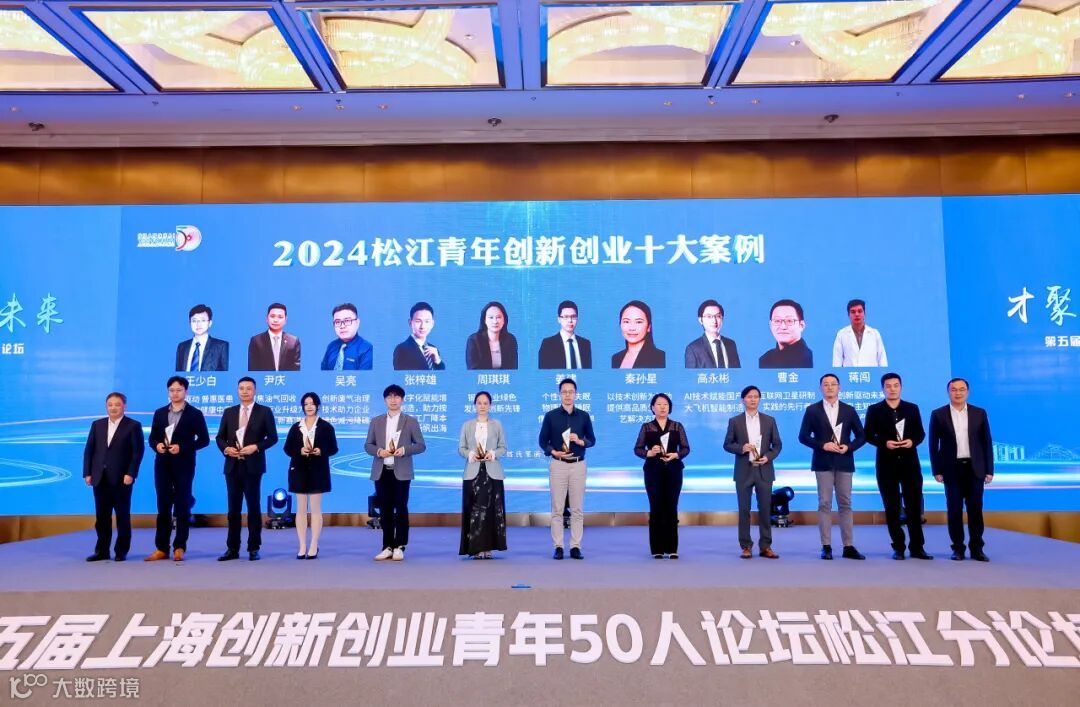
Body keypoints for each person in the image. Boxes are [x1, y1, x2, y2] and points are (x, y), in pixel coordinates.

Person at [864, 373, 931, 560]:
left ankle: (917, 547)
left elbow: (920, 433)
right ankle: (898, 547)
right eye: (888, 386)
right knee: (892, 507)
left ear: (901, 387)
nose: (892, 389)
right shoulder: (874, 409)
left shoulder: (911, 408)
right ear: (883, 388)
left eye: (896, 385)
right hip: (886, 463)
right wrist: (884, 443)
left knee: (914, 506)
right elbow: (868, 434)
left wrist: (912, 441)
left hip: (910, 462)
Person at [799, 373, 866, 560]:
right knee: (824, 504)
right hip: (823, 462)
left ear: (839, 387)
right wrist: (823, 445)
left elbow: (862, 436)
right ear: (821, 388)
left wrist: (849, 447)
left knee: (845, 503)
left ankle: (848, 546)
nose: (829, 387)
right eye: (826, 384)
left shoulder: (849, 410)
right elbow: (803, 436)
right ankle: (826, 546)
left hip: (844, 461)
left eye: (833, 384)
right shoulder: (812, 410)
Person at [145, 376, 209, 563]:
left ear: (186, 391)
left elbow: (204, 440)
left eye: (179, 390)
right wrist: (157, 445)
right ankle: (161, 548)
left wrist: (183, 447)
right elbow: (152, 438)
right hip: (162, 464)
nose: (175, 393)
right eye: (171, 390)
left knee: (182, 505)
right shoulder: (159, 413)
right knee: (163, 505)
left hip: (184, 464)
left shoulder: (195, 414)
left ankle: (179, 547)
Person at [929, 378, 994, 562]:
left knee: (975, 510)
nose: (958, 393)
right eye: (954, 389)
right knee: (954, 510)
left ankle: (977, 549)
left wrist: (989, 470)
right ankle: (957, 548)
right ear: (948, 392)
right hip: (951, 469)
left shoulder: (979, 413)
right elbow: (933, 445)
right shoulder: (938, 414)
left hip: (975, 469)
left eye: (962, 389)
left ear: (968, 392)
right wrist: (936, 470)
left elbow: (987, 442)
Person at [215, 377, 278, 561]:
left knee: (253, 507)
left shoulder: (264, 412)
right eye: (241, 388)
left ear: (255, 391)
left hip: (253, 466)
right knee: (233, 510)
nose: (245, 391)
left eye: (248, 388)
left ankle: (253, 547)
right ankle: (232, 549)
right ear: (237, 391)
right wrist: (226, 449)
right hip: (232, 466)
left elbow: (272, 438)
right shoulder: (229, 412)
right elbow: (220, 437)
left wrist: (256, 447)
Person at [364, 384, 427, 561]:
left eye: (397, 396)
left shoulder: (410, 421)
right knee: (384, 509)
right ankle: (387, 546)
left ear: (402, 400)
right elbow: (368, 445)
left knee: (401, 508)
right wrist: (379, 451)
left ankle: (400, 546)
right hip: (382, 471)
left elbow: (421, 445)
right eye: (390, 397)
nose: (393, 400)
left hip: (402, 471)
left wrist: (404, 450)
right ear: (385, 400)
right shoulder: (376, 421)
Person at [83, 392, 144, 562]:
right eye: (110, 404)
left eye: (117, 404)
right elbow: (89, 450)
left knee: (122, 516)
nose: (113, 408)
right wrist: (87, 472)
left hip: (122, 478)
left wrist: (131, 473)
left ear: (124, 406)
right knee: (102, 517)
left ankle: (121, 551)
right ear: (106, 406)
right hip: (99, 477)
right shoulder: (97, 425)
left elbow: (137, 452)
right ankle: (102, 551)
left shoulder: (133, 425)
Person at [538, 377, 595, 559]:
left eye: (571, 392)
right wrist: (554, 452)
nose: (568, 395)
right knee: (557, 508)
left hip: (578, 465)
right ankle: (558, 546)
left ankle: (575, 546)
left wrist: (580, 441)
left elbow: (592, 440)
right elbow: (542, 441)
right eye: (564, 392)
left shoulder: (584, 416)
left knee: (577, 509)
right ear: (560, 394)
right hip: (558, 465)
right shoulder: (551, 416)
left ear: (576, 394)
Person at [723, 385, 782, 559]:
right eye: (749, 396)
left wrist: (768, 457)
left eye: (756, 396)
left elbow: (777, 445)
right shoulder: (735, 421)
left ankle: (766, 546)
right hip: (744, 471)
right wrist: (742, 448)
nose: (753, 399)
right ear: (743, 400)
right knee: (744, 510)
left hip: (764, 470)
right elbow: (727, 444)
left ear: (759, 399)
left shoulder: (769, 420)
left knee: (765, 509)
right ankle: (746, 546)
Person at [633, 393, 690, 559]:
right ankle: (657, 549)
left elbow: (686, 448)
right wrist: (649, 453)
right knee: (656, 508)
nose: (662, 407)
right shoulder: (647, 427)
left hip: (673, 471)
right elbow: (637, 449)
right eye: (658, 404)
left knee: (671, 507)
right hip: (653, 471)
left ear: (669, 407)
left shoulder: (677, 426)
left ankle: (672, 548)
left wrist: (676, 455)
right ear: (652, 407)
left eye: (665, 404)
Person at [283, 392, 338, 560]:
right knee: (300, 509)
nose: (309, 406)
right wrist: (299, 450)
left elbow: (334, 448)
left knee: (315, 508)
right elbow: (287, 449)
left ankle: (314, 543)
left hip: (318, 470)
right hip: (298, 469)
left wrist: (321, 450)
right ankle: (302, 545)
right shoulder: (296, 427)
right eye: (306, 404)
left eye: (312, 403)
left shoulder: (326, 427)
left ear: (318, 406)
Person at [457, 391, 508, 559]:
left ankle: (489, 548)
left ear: (490, 405)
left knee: (492, 511)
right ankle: (476, 548)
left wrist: (493, 453)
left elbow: (503, 447)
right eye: (479, 403)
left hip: (492, 472)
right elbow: (461, 448)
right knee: (475, 511)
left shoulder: (497, 424)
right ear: (475, 405)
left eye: (485, 403)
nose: (482, 406)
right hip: (473, 472)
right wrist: (470, 454)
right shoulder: (467, 425)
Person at [684, 299, 741, 368]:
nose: (714, 321)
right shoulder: (693, 349)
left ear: (722, 319)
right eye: (709, 316)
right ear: (700, 320)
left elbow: (736, 373)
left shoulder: (731, 344)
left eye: (718, 316)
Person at [538, 300, 593, 369]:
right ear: (559, 319)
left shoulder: (585, 344)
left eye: (573, 316)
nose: (570, 320)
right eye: (566, 317)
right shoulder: (548, 344)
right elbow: (544, 373)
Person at [832, 299, 888, 367]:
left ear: (864, 313)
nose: (857, 314)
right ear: (848, 315)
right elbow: (837, 360)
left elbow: (882, 358)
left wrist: (884, 372)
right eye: (853, 312)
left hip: (871, 373)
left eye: (860, 311)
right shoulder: (841, 334)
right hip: (849, 373)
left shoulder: (875, 334)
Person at [611, 300, 666, 368]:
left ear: (648, 327)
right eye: (626, 321)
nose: (632, 328)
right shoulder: (615, 358)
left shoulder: (661, 358)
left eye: (638, 322)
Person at [759, 299, 813, 368]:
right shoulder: (765, 359)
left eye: (789, 321)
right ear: (770, 325)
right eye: (777, 321)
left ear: (801, 325)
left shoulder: (810, 359)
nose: (783, 327)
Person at [466, 301, 519, 370]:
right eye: (491, 317)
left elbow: (513, 370)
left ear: (504, 320)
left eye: (498, 317)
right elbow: (473, 371)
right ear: (484, 320)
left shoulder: (511, 340)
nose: (495, 321)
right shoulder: (474, 340)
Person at [248, 302, 301, 371]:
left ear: (285, 320)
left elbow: (297, 368)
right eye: (272, 316)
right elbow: (252, 367)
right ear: (267, 319)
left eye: (280, 317)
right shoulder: (256, 340)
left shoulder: (293, 341)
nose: (275, 320)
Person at [175, 304, 229, 372]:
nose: (198, 324)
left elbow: (226, 375)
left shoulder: (221, 346)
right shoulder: (182, 347)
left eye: (203, 320)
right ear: (189, 323)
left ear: (210, 323)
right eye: (194, 321)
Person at [393, 301, 446, 370]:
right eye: (418, 321)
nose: (422, 326)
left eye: (427, 321)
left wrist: (438, 361)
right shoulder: (401, 349)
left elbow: (442, 375)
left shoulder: (433, 349)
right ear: (410, 323)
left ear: (432, 324)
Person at [320, 303, 373, 370]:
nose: (342, 326)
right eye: (337, 322)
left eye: (347, 321)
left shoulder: (367, 349)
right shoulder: (331, 346)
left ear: (357, 323)